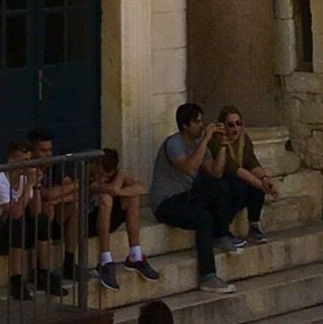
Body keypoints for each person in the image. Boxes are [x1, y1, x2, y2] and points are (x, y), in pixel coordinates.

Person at [148, 101, 232, 292]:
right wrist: (205, 141)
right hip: (166, 202)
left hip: (187, 196)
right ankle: (208, 276)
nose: (202, 126)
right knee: (203, 219)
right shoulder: (174, 143)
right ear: (185, 125)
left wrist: (223, 145)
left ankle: (221, 235)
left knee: (220, 187)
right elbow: (188, 167)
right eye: (197, 122)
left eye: (202, 121)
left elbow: (216, 172)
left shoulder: (198, 144)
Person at [0, 137, 52, 303]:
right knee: (18, 224)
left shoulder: (24, 180)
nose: (28, 165)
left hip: (12, 234)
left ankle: (43, 272)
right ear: (11, 161)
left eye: (30, 160)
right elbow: (14, 213)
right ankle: (16, 279)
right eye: (24, 161)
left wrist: (36, 186)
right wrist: (29, 186)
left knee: (42, 220)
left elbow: (35, 211)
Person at [87, 146, 160, 289]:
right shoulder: (88, 178)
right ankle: (105, 260)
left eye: (108, 176)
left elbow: (141, 188)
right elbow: (112, 190)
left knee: (133, 199)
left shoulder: (116, 177)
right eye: (103, 174)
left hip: (109, 220)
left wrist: (120, 184)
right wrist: (120, 175)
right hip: (88, 222)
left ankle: (135, 255)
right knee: (106, 198)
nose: (104, 178)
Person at [206, 108, 277, 245]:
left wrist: (265, 179)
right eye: (231, 125)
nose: (235, 128)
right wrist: (262, 186)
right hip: (221, 181)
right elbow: (233, 168)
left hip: (237, 177)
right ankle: (222, 229)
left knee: (255, 187)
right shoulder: (216, 141)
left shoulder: (244, 139)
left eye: (238, 124)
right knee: (241, 187)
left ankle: (254, 227)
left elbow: (251, 161)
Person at [25, 129, 79, 288]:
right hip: (32, 221)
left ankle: (69, 260)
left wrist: (57, 199)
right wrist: (56, 195)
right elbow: (46, 194)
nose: (47, 154)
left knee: (75, 206)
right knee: (46, 211)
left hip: (54, 216)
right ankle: (43, 270)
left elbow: (77, 190)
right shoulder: (29, 171)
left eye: (50, 150)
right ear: (33, 152)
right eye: (42, 150)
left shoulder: (55, 168)